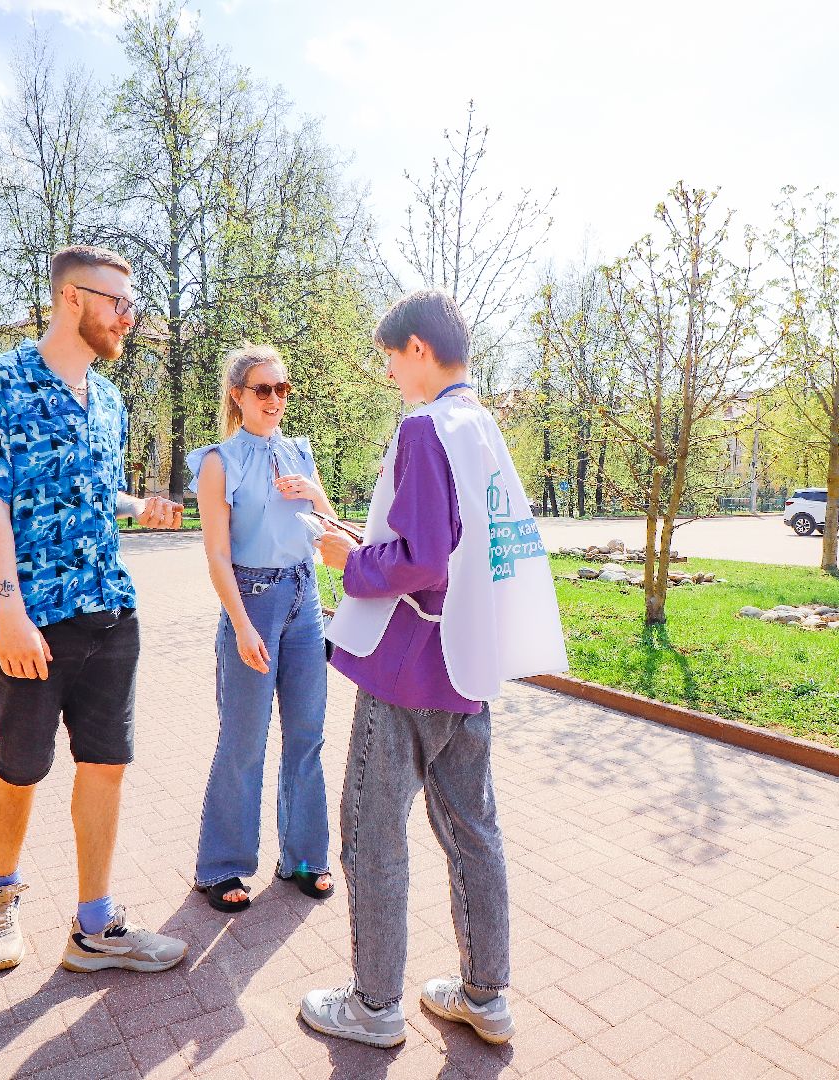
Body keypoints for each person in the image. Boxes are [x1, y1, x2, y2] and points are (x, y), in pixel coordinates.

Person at [299, 291, 567, 1048]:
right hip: (470, 662)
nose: (388, 372)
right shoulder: (480, 425)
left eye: (389, 355)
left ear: (417, 347)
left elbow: (418, 559)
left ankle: (374, 1006)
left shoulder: (422, 427)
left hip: (407, 667)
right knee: (473, 831)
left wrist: (349, 561)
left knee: (372, 834)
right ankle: (485, 995)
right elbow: (462, 544)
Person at [0, 244, 190, 975]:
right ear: (72, 299)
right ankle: (1, 895)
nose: (129, 317)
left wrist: (137, 506)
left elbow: (90, 492)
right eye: (119, 303)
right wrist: (8, 614)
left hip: (108, 609)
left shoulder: (111, 400)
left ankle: (94, 927)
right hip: (28, 618)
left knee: (106, 765)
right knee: (21, 768)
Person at [186, 345, 335, 913]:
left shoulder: (300, 452)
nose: (275, 400)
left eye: (283, 389)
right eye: (263, 390)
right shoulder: (219, 462)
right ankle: (221, 866)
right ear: (238, 396)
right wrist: (242, 626)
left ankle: (303, 856)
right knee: (243, 741)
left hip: (305, 599)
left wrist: (315, 495)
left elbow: (324, 534)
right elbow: (218, 557)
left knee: (307, 734)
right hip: (251, 600)